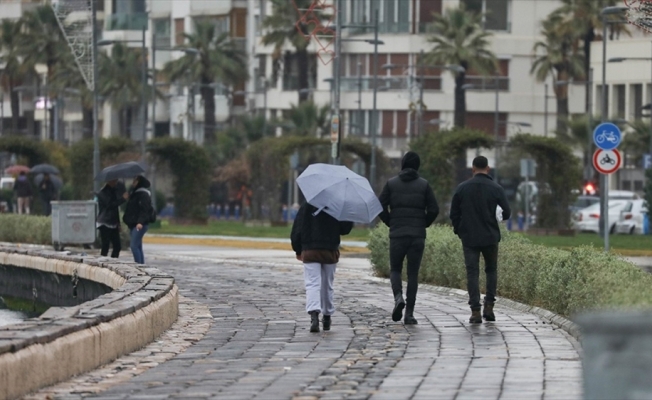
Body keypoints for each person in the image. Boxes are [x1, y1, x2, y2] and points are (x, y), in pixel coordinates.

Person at [378, 151, 439, 325]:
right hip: (417, 236)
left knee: (395, 270)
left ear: (402, 164)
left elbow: (380, 206)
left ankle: (398, 298)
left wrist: (391, 222)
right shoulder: (424, 185)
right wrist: (423, 224)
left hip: (397, 235)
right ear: (417, 166)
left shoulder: (391, 184)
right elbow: (434, 209)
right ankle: (409, 314)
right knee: (413, 274)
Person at [449, 156, 511, 324]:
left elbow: (453, 213)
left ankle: (475, 311)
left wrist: (459, 230)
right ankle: (489, 307)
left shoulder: (462, 188)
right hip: (490, 236)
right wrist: (498, 218)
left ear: (473, 169)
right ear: (488, 169)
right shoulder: (496, 188)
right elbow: (507, 212)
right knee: (491, 271)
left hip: (469, 237)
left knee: (472, 272)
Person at [291, 202, 353, 333]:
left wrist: (297, 249)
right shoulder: (337, 204)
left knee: (312, 284)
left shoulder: (307, 204)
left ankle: (314, 316)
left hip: (310, 249)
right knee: (327, 285)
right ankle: (327, 316)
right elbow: (345, 229)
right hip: (330, 250)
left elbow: (298, 227)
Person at [123, 175, 153, 264]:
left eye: (135, 181)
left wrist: (140, 222)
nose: (133, 183)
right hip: (133, 223)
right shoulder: (134, 193)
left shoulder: (143, 194)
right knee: (138, 246)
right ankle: (141, 266)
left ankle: (138, 265)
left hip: (139, 224)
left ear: (139, 182)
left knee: (133, 246)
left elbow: (144, 210)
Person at [96, 179, 126, 258]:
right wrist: (122, 199)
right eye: (114, 181)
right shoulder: (102, 192)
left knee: (117, 246)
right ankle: (102, 263)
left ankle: (113, 261)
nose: (116, 183)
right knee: (105, 246)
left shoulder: (114, 191)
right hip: (104, 222)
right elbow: (110, 205)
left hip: (113, 222)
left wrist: (118, 223)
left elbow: (115, 210)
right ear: (109, 181)